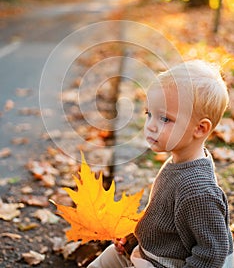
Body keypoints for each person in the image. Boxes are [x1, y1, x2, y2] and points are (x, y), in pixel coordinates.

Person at [87, 59, 234, 268]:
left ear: (200, 129)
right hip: (149, 252)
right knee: (106, 259)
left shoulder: (198, 191)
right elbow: (160, 222)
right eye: (149, 114)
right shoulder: (177, 163)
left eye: (164, 119)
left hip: (167, 264)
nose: (151, 126)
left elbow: (213, 253)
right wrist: (132, 240)